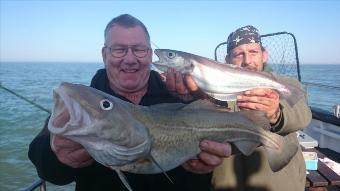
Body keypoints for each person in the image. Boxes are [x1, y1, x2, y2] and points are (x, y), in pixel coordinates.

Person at [28, 14, 231, 191]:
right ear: (104, 54)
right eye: (119, 50)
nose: (130, 59)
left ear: (150, 55)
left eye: (139, 49)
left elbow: (226, 140)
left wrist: (209, 161)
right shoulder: (82, 105)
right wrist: (55, 154)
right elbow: (46, 167)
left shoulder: (181, 97)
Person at [166, 25, 312, 191]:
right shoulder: (215, 88)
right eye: (239, 54)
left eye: (253, 52)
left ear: (264, 55)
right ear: (227, 59)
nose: (247, 60)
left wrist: (277, 113)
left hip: (279, 184)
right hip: (228, 183)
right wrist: (193, 97)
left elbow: (303, 114)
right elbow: (204, 117)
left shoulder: (285, 83)